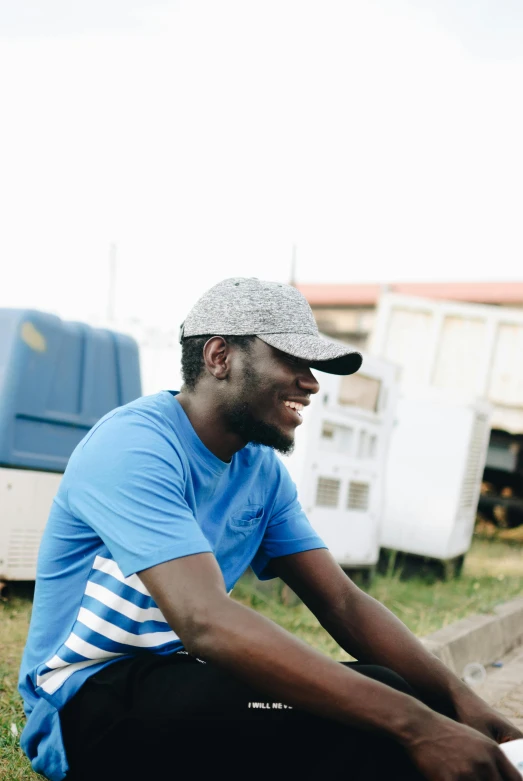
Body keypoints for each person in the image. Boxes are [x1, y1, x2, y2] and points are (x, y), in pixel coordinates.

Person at [19, 278, 522, 781]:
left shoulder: (259, 471)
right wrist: (418, 727)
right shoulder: (134, 445)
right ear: (220, 356)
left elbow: (342, 603)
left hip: (180, 679)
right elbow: (205, 621)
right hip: (84, 699)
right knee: (378, 731)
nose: (312, 383)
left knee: (390, 687)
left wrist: (458, 701)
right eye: (293, 361)